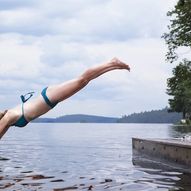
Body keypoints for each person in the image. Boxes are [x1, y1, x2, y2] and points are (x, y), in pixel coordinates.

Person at [0, 58, 130, 139]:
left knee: (82, 80)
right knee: (83, 81)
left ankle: (112, 63)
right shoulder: (8, 117)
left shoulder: (8, 117)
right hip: (49, 99)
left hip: (48, 98)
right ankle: (113, 65)